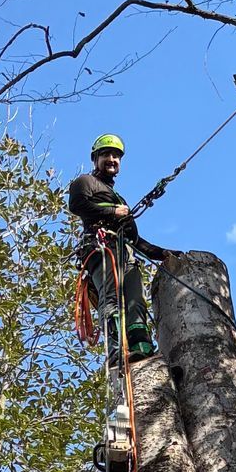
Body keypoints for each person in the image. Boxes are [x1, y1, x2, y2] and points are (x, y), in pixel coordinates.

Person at [68, 134, 166, 362]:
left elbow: (136, 240)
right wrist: (113, 212)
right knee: (111, 296)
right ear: (95, 159)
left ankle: (141, 346)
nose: (112, 159)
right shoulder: (85, 182)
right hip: (101, 248)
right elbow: (77, 205)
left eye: (116, 156)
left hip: (125, 253)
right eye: (106, 155)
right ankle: (116, 350)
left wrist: (165, 255)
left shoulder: (118, 198)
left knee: (136, 300)